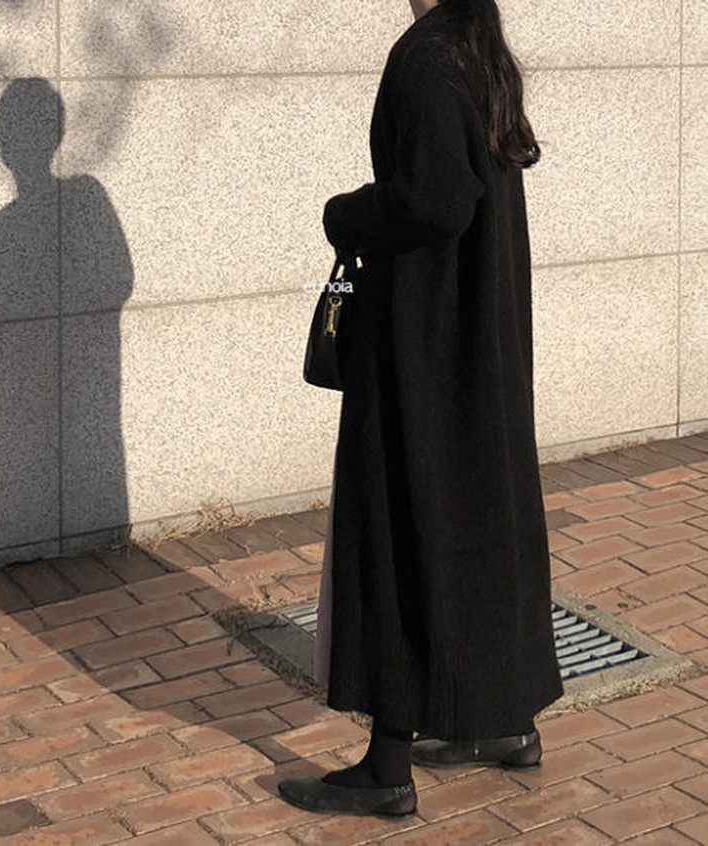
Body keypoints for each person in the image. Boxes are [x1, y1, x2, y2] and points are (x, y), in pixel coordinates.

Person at [278, 0, 564, 818]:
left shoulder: (427, 56)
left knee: (399, 527)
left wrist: (347, 213)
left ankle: (386, 768)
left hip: (422, 345)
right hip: (479, 341)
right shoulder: (479, 47)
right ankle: (504, 723)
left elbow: (437, 200)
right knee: (478, 520)